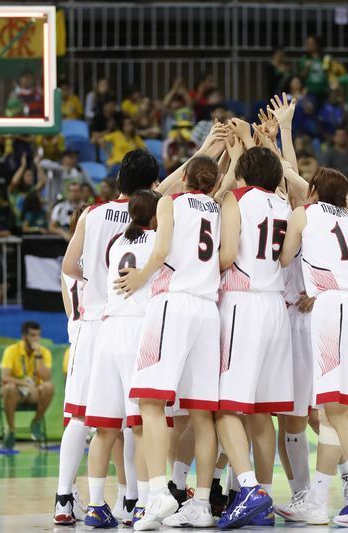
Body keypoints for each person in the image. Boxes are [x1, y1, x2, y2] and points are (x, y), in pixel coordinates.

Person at [278, 168, 348, 528]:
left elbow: (284, 258)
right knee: (333, 414)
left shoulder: (305, 213)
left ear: (312, 191)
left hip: (334, 311)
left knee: (339, 413)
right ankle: (317, 499)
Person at [114, 156, 222, 530]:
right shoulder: (221, 206)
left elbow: (160, 252)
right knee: (202, 412)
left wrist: (140, 277)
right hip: (209, 309)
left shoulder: (170, 202)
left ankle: (159, 492)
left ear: (186, 178)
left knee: (149, 400)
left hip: (173, 302)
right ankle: (203, 503)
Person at [54, 149, 159, 526]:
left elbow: (69, 267)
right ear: (153, 185)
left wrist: (95, 284)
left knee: (83, 417)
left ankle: (65, 500)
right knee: (138, 418)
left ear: (118, 180)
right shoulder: (154, 217)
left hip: (94, 323)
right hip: (132, 321)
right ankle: (133, 500)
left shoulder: (92, 213)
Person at [214, 146, 295, 528]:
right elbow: (285, 258)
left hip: (242, 303)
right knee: (263, 412)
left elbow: (227, 255)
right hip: (275, 306)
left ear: (241, 174)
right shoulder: (284, 205)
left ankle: (248, 489)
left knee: (227, 407)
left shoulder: (237, 197)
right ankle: (263, 491)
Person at [82, 190, 160, 528]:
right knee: (141, 428)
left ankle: (96, 505)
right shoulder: (160, 241)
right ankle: (143, 503)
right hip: (138, 331)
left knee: (105, 429)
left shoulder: (115, 242)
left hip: (108, 331)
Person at [0, 321, 54, 449]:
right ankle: (11, 430)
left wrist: (38, 356)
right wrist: (24, 384)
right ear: (24, 336)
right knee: (8, 388)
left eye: (38, 335)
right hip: (17, 391)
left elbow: (47, 377)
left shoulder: (44, 352)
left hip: (35, 392)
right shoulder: (11, 351)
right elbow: (5, 377)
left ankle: (36, 421)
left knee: (48, 387)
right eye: (32, 335)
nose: (36, 339)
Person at [8, 153, 47, 226]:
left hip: (29, 223)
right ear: (22, 177)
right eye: (28, 175)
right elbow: (14, 182)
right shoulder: (14, 192)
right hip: (16, 225)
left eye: (31, 175)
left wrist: (37, 164)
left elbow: (43, 181)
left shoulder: (31, 191)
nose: (31, 177)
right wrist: (23, 166)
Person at [298, 35, 328, 103]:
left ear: (317, 45)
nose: (308, 46)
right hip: (310, 93)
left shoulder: (325, 58)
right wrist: (306, 68)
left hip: (324, 92)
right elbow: (301, 77)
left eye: (310, 44)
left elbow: (329, 74)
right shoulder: (305, 59)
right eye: (307, 44)